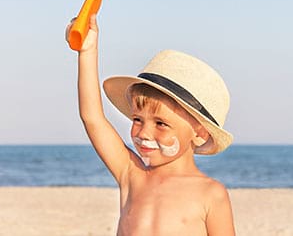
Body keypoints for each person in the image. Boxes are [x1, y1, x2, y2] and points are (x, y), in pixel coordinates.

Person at [66, 15, 235, 236]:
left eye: (161, 123)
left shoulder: (210, 194)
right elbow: (92, 118)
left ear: (200, 133)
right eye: (137, 119)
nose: (144, 132)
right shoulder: (131, 175)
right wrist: (87, 52)